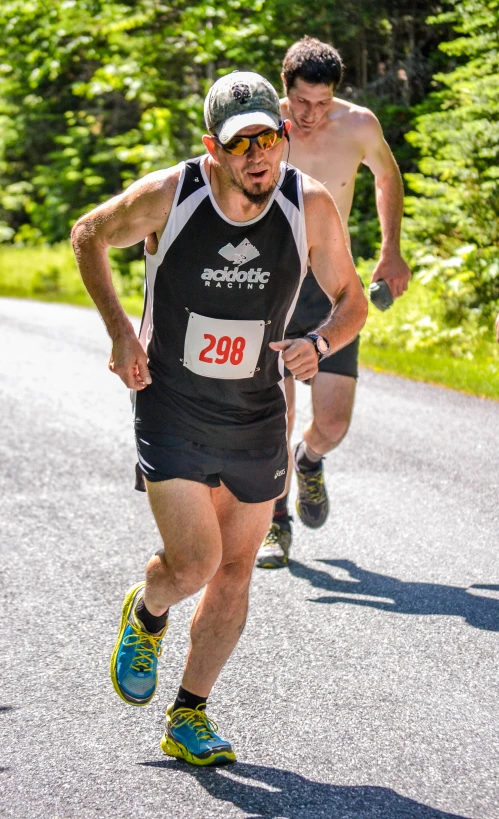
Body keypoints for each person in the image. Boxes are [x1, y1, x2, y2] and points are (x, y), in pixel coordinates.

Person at [71, 70, 367, 766]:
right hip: (170, 400)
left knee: (236, 569)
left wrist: (319, 342)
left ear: (284, 136)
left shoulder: (309, 205)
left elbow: (351, 300)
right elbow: (89, 233)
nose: (259, 154)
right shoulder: (171, 195)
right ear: (214, 148)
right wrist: (120, 330)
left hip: (257, 411)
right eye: (242, 144)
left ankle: (189, 715)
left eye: (270, 137)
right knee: (195, 563)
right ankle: (149, 607)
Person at [256, 37, 411, 569]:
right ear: (285, 88)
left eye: (322, 104)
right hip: (268, 285)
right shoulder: (260, 125)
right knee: (274, 410)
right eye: (301, 102)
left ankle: (309, 460)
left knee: (334, 423)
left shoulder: (358, 125)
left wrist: (390, 252)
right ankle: (276, 524)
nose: (310, 115)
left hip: (330, 288)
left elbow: (388, 176)